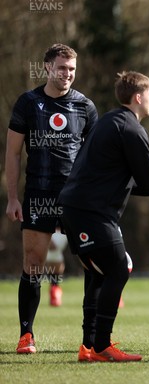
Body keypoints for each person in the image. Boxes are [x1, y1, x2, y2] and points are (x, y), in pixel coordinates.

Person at [58, 71, 149, 362]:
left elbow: (131, 182)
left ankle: (89, 347)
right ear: (138, 97)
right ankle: (101, 346)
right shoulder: (132, 129)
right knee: (119, 268)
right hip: (90, 212)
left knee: (99, 274)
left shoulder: (110, 122)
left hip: (78, 209)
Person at [5, 43, 98, 354]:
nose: (67, 74)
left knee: (93, 264)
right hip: (38, 195)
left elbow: (97, 157)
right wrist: (12, 198)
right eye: (61, 68)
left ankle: (92, 339)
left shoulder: (85, 107)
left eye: (72, 69)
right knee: (33, 265)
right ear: (46, 67)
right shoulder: (28, 103)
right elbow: (13, 153)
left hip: (77, 198)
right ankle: (26, 336)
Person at [46, 230, 69, 306]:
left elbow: (53, 247)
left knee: (54, 279)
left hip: (54, 256)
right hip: (55, 256)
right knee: (54, 279)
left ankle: (55, 296)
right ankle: (55, 296)